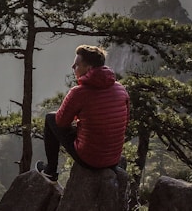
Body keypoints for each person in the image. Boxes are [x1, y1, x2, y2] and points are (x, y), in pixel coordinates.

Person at [35, 44, 130, 181]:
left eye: (76, 65)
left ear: (89, 68)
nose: (73, 68)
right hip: (113, 159)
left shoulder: (79, 92)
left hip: (90, 160)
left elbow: (61, 122)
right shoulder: (120, 89)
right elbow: (125, 121)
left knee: (50, 118)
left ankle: (50, 171)